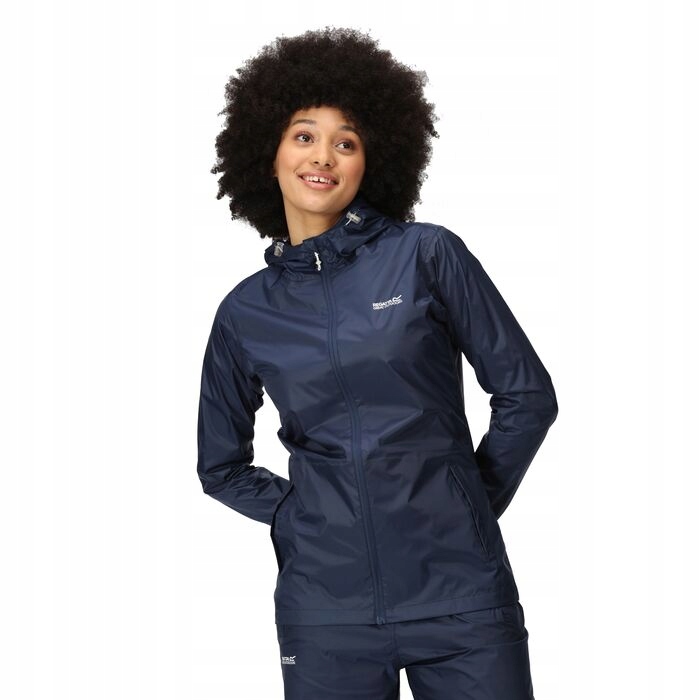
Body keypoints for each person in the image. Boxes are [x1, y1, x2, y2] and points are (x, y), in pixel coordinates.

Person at [197, 26, 558, 700]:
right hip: (326, 613)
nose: (323, 156)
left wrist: (464, 503)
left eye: (347, 142)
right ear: (267, 153)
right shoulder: (245, 311)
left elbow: (527, 395)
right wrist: (304, 516)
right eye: (304, 136)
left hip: (462, 598)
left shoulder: (428, 255)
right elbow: (220, 466)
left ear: (372, 162)